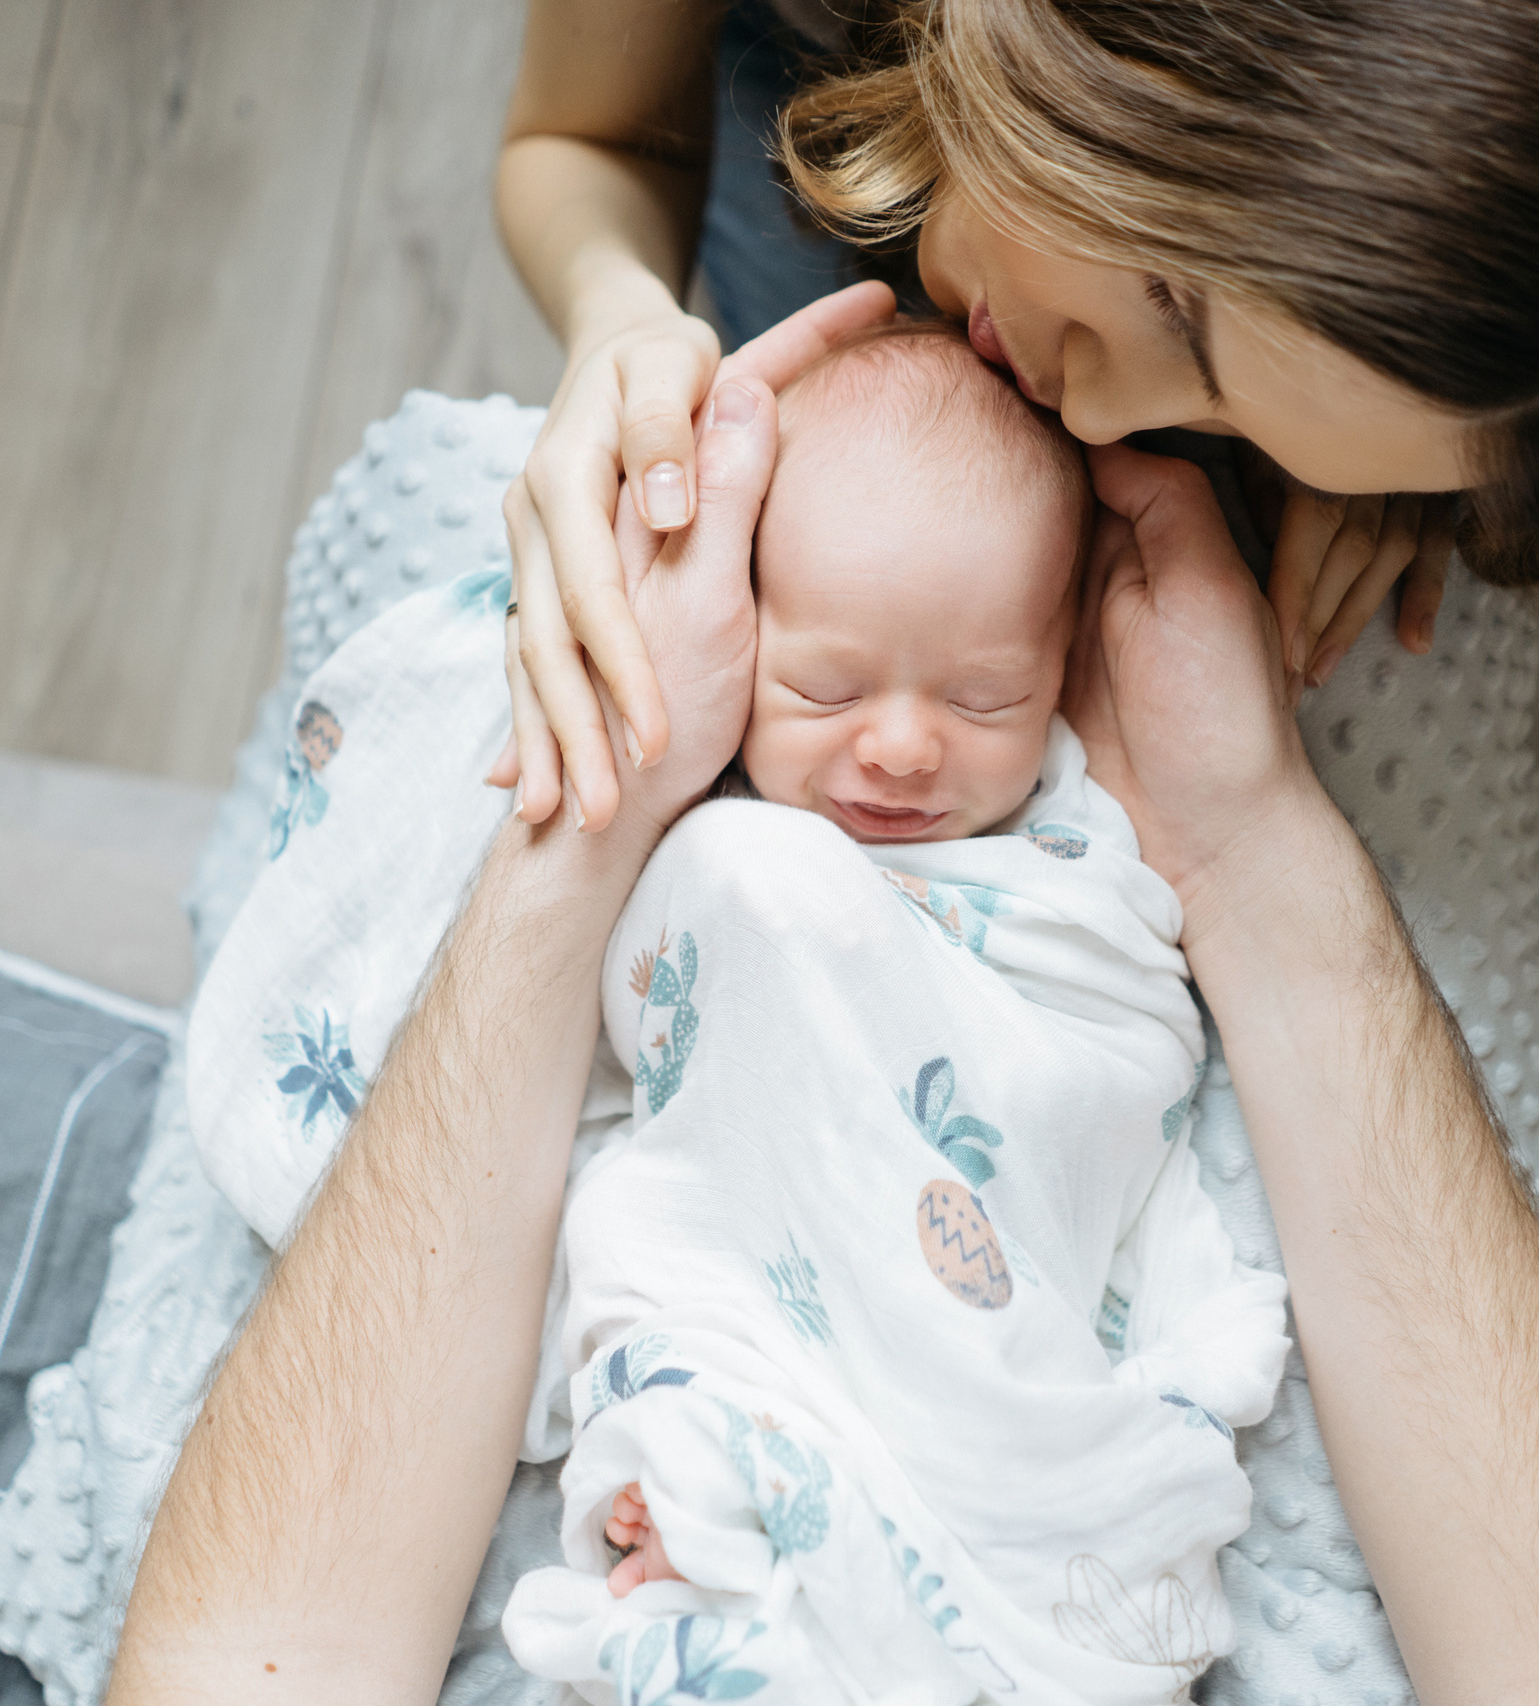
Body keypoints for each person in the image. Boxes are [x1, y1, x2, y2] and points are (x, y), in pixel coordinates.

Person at [110, 2, 1539, 1699]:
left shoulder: (1281, 363)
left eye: (1214, 414)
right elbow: (583, 147)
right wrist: (629, 339)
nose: (1097, 420)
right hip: (838, 192)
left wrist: (1349, 517)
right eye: (1185, 325)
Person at [492, 321, 1290, 1700]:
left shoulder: (1065, 860)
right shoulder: (729, 827)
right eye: (827, 686)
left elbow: (1108, 1059)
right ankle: (722, 1469)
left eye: (990, 695)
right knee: (741, 885)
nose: (908, 746)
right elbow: (656, 1095)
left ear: (1063, 670)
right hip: (763, 1287)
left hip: (985, 1304)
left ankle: (838, 1517)